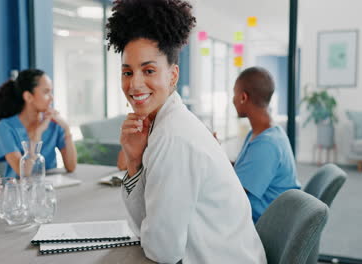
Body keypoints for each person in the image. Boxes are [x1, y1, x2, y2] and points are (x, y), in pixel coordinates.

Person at [106, 1, 266, 263]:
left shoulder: (173, 136)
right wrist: (134, 161)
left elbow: (163, 251)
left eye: (148, 70)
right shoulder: (165, 124)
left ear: (172, 75)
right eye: (127, 72)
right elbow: (144, 229)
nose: (134, 84)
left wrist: (151, 233)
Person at [232, 66, 301, 223]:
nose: (232, 100)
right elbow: (241, 169)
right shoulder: (260, 133)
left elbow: (233, 192)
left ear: (243, 97)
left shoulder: (266, 144)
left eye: (234, 94)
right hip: (264, 215)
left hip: (264, 224)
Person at [0, 69, 77, 178]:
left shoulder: (54, 124)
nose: (51, 98)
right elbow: (24, 173)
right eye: (46, 92)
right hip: (20, 190)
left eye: (51, 92)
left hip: (51, 187)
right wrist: (38, 133)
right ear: (28, 97)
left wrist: (66, 129)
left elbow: (71, 166)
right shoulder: (5, 127)